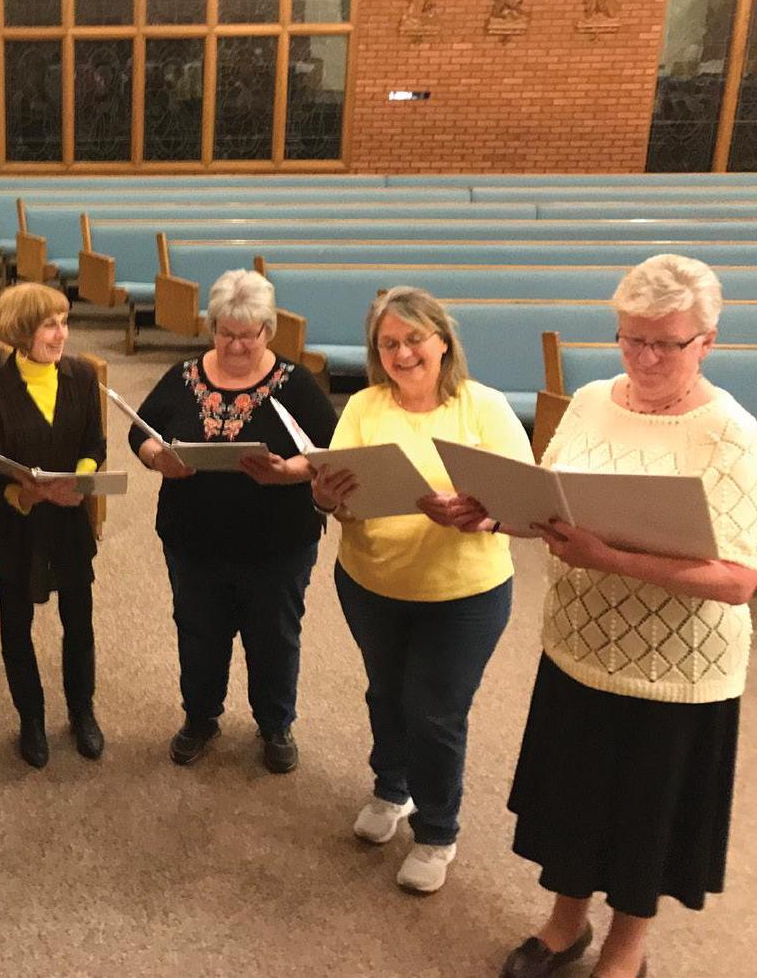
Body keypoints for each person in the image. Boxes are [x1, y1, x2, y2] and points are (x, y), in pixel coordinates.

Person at [480, 256, 757, 978]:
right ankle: (564, 925)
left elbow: (738, 580)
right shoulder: (591, 399)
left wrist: (613, 559)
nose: (644, 357)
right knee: (574, 802)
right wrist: (492, 511)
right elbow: (549, 505)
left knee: (645, 823)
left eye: (665, 342)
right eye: (631, 338)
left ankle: (625, 951)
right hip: (579, 646)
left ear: (707, 341)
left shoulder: (730, 432)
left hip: (675, 671)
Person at [311, 286, 531, 895]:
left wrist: (482, 515)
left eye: (414, 339)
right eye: (389, 344)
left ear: (443, 342)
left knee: (434, 712)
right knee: (386, 692)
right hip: (372, 580)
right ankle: (392, 788)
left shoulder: (484, 408)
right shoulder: (363, 406)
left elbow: (526, 507)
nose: (403, 354)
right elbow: (338, 496)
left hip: (463, 594)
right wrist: (326, 498)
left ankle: (437, 831)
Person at [128, 270, 338, 774]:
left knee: (274, 638)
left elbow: (330, 452)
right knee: (199, 633)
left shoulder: (295, 383)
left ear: (268, 330)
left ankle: (275, 724)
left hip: (278, 544)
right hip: (192, 539)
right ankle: (200, 718)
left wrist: (288, 473)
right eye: (226, 333)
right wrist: (158, 458)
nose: (237, 345)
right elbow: (141, 432)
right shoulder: (183, 376)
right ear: (212, 328)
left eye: (249, 335)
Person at [0, 282, 107, 767]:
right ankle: (31, 719)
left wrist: (81, 480)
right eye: (50, 325)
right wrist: (24, 494)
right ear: (22, 331)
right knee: (16, 628)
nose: (61, 334)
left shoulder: (82, 375)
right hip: (15, 524)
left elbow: (94, 444)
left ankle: (82, 712)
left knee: (80, 623)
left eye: (64, 322)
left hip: (69, 518)